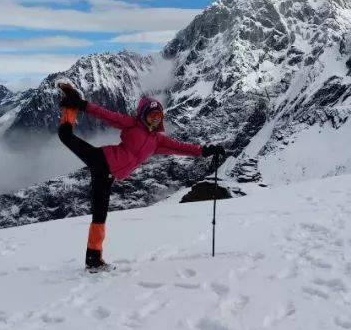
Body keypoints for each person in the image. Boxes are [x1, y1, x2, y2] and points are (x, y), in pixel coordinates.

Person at [57, 82, 225, 271]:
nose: (154, 119)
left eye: (158, 116)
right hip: (101, 159)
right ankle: (71, 105)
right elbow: (106, 115)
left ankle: (93, 260)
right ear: (143, 114)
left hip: (107, 176)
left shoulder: (157, 141)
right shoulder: (131, 125)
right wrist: (83, 105)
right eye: (151, 114)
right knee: (65, 136)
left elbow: (181, 147)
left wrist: (205, 151)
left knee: (99, 215)